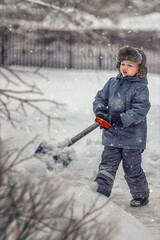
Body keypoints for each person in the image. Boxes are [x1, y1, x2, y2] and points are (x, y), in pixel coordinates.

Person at [93, 45, 151, 207]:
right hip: (111, 135)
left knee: (131, 169)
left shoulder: (140, 88)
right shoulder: (112, 83)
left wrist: (121, 119)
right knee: (107, 166)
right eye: (123, 63)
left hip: (132, 138)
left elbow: (140, 110)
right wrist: (101, 113)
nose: (124, 68)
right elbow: (100, 99)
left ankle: (140, 195)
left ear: (140, 69)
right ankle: (99, 194)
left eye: (130, 65)